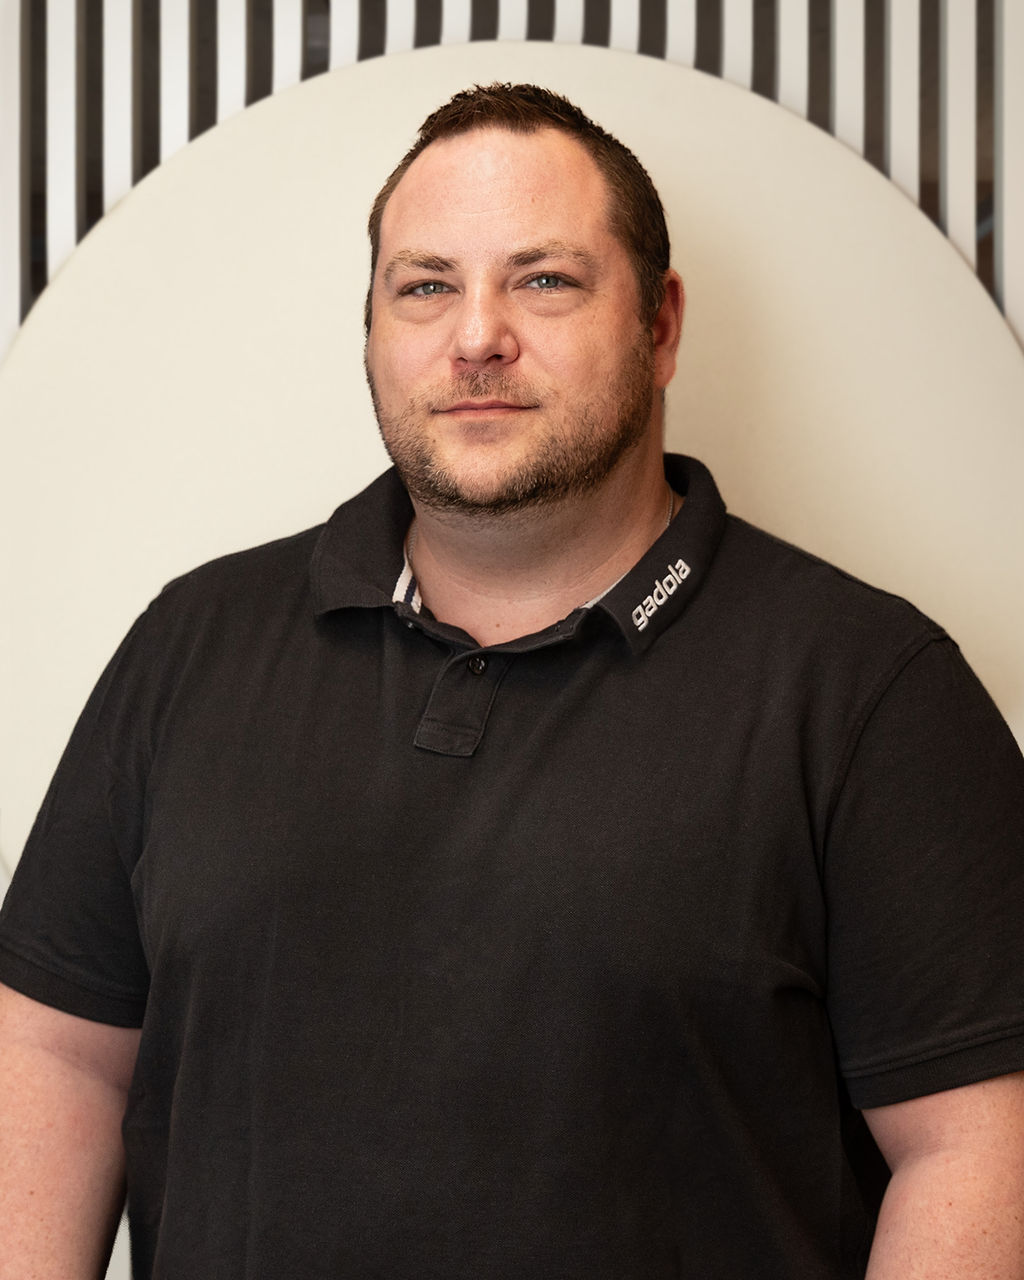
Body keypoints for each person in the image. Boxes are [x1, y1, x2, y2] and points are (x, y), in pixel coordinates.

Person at [1, 82, 1023, 1280]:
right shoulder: (191, 645)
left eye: (544, 279)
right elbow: (57, 1056)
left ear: (659, 325)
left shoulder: (869, 692)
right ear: (372, 328)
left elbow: (977, 1142)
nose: (476, 336)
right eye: (424, 286)